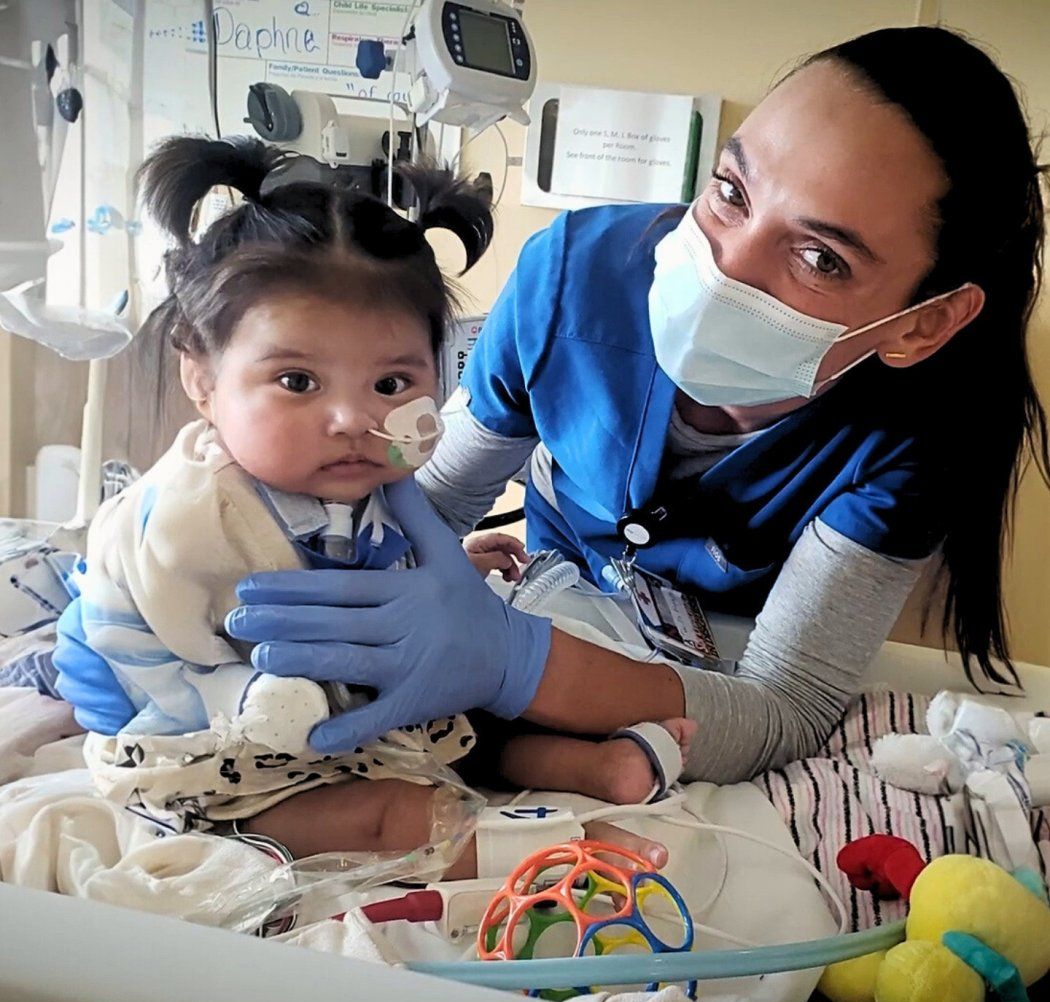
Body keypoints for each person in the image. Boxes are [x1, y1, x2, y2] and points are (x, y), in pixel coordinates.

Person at [57, 26, 1049, 792]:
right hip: (550, 580)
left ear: (923, 325)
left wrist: (513, 659)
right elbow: (432, 497)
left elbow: (781, 710)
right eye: (731, 192)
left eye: (820, 257)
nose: (723, 267)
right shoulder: (575, 275)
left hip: (706, 664)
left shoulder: (916, 434)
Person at [62, 135, 686, 873]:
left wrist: (441, 567)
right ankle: (564, 853)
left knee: (476, 706)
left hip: (348, 703)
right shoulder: (188, 521)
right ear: (201, 378)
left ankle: (595, 770)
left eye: (392, 384)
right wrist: (252, 699)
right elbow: (148, 659)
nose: (352, 419)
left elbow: (368, 571)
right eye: (298, 381)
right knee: (397, 816)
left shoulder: (357, 479)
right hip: (218, 754)